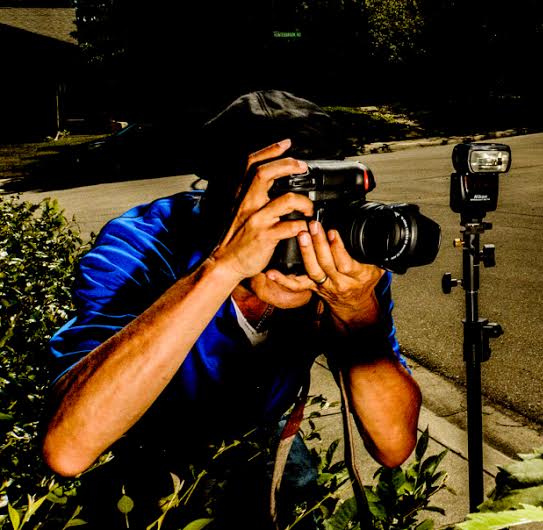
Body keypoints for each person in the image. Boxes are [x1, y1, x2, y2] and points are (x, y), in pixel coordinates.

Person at [41, 90, 422, 528]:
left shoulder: (342, 260)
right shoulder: (142, 245)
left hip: (265, 433)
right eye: (275, 209)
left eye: (315, 209)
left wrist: (357, 311)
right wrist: (224, 267)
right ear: (221, 204)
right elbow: (69, 448)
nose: (302, 240)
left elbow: (394, 445)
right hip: (143, 439)